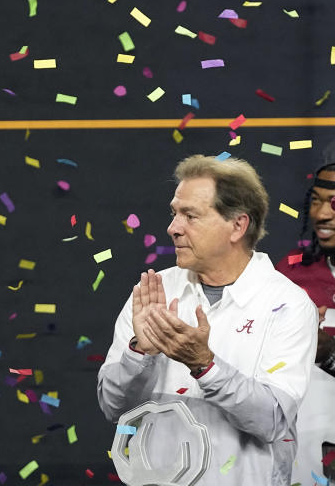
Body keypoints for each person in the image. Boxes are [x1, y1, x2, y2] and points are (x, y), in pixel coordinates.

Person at [97, 154, 318, 485]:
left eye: (191, 216)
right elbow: (113, 408)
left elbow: (273, 420)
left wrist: (206, 366)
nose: (174, 228)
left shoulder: (288, 305)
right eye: (174, 213)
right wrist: (138, 352)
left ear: (237, 226)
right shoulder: (153, 291)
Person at [275, 159, 335, 483]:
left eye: (334, 203)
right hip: (303, 459)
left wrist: (329, 353)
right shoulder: (290, 273)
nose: (322, 215)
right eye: (316, 201)